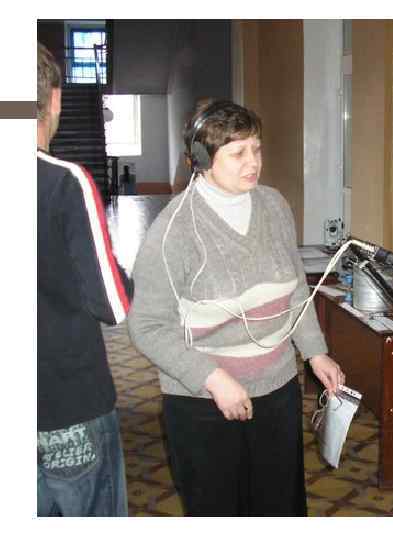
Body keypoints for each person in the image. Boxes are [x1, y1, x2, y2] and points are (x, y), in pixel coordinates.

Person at [127, 100, 344, 516]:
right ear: (203, 160)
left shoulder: (274, 205)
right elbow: (147, 326)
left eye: (256, 149)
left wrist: (316, 352)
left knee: (279, 507)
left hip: (278, 389)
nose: (253, 162)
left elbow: (295, 289)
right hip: (204, 401)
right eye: (238, 153)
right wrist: (212, 379)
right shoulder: (174, 229)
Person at [37, 42, 132, 517]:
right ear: (54, 98)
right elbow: (111, 304)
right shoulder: (64, 181)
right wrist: (125, 277)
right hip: (67, 403)